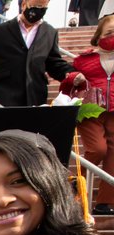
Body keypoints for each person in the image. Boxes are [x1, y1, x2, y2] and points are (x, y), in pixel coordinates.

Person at [0, 0, 72, 107]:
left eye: (43, 7)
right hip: (5, 97)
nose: (38, 10)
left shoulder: (50, 32)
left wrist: (70, 73)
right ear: (23, 4)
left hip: (36, 97)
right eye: (35, 5)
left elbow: (54, 63)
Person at [64, 15, 114, 214]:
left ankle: (105, 203)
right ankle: (77, 184)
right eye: (109, 32)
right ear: (98, 36)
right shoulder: (84, 59)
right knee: (97, 149)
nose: (113, 36)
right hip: (91, 110)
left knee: (113, 156)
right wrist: (75, 77)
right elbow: (68, 80)